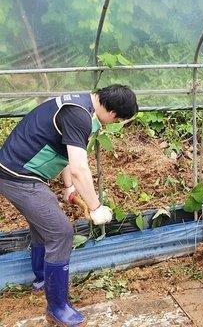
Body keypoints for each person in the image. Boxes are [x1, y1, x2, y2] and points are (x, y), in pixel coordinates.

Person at [0, 84, 138, 326]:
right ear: (114, 114)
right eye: (117, 121)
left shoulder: (80, 104)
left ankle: (42, 279)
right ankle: (57, 308)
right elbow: (79, 168)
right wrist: (95, 208)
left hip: (16, 170)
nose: (111, 124)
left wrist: (68, 187)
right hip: (18, 176)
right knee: (61, 233)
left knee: (44, 227)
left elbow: (63, 148)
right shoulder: (79, 116)